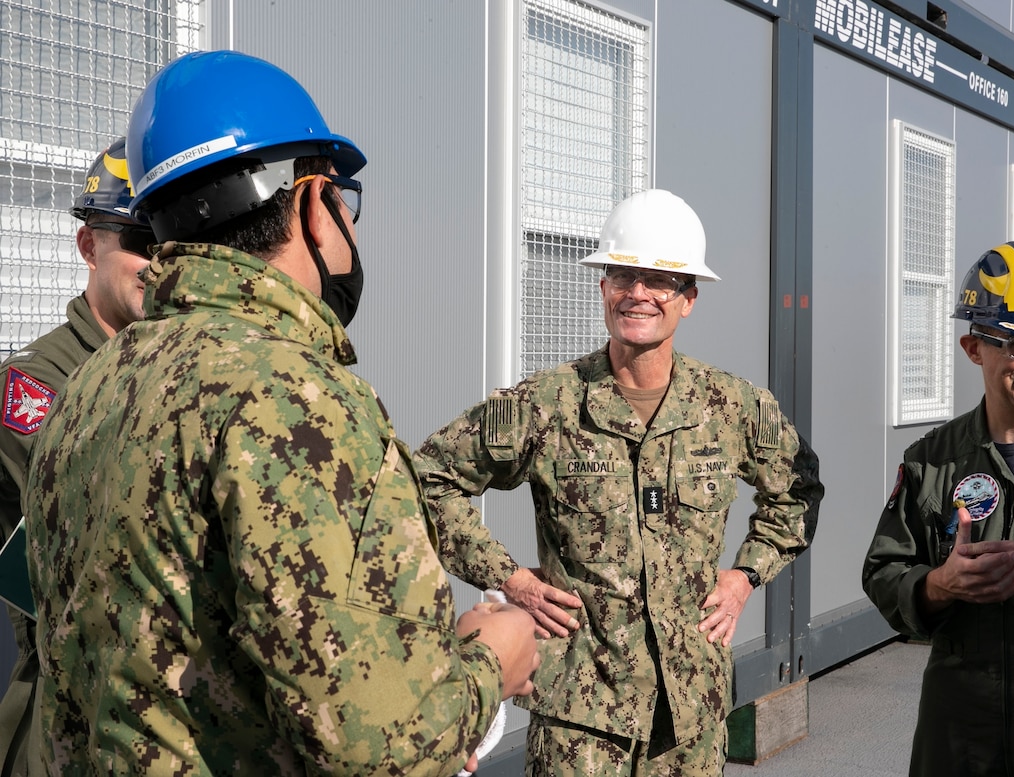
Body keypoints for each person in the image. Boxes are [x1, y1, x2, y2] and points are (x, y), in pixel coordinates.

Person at [23, 50, 539, 776]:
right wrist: (493, 660)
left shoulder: (87, 389)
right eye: (342, 199)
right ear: (310, 202)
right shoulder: (292, 397)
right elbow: (378, 749)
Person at [414, 189, 823, 776]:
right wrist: (513, 581)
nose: (638, 292)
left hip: (691, 715)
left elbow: (798, 492)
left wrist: (743, 577)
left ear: (688, 299)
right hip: (581, 719)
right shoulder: (549, 403)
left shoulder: (732, 407)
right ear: (603, 288)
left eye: (659, 279)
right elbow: (430, 480)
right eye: (623, 274)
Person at [863, 240, 1014, 776]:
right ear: (973, 348)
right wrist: (940, 585)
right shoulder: (933, 460)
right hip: (959, 737)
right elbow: (884, 573)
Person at [0, 137, 152, 777]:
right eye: (140, 242)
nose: (160, 263)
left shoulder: (176, 365)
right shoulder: (36, 385)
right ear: (91, 247)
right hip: (73, 726)